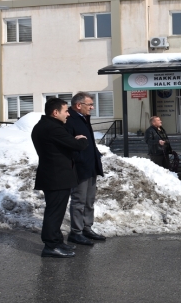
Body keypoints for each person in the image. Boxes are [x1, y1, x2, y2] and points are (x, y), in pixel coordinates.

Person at [31, 98, 88, 258]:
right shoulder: (52, 128)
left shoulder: (46, 126)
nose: (68, 114)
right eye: (65, 111)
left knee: (56, 211)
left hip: (55, 176)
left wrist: (72, 141)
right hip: (56, 177)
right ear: (55, 113)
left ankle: (57, 241)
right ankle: (51, 246)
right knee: (54, 212)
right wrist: (82, 139)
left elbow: (62, 146)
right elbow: (78, 146)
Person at [65, 92, 106, 246]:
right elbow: (69, 144)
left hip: (91, 165)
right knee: (79, 200)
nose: (92, 107)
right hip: (80, 167)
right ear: (78, 105)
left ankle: (86, 228)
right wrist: (79, 160)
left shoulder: (83, 118)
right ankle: (76, 232)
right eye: (89, 105)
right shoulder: (69, 120)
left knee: (89, 200)